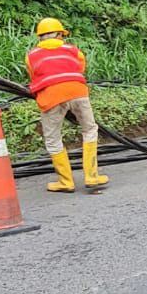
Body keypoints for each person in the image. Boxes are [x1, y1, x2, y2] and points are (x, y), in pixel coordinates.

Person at [26, 18, 107, 192]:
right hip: (77, 91)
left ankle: (66, 181)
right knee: (90, 130)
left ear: (40, 37)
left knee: (53, 138)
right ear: (60, 34)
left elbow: (33, 75)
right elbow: (80, 68)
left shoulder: (31, 55)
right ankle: (92, 177)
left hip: (51, 96)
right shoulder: (73, 50)